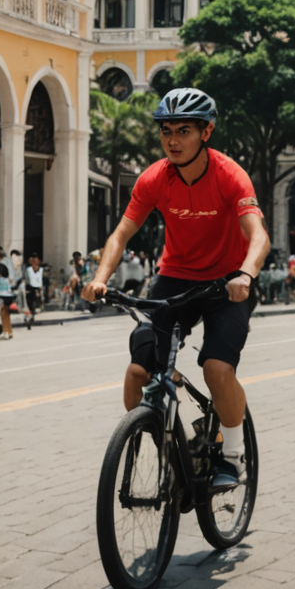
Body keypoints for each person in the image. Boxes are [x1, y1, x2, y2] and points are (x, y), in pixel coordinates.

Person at [81, 88, 269, 491]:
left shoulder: (229, 174)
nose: (172, 140)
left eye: (184, 130)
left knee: (216, 368)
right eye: (166, 130)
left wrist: (247, 275)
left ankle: (233, 457)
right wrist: (100, 278)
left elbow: (258, 236)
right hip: (175, 278)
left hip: (227, 282)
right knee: (138, 373)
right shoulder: (155, 178)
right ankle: (172, 448)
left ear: (207, 132)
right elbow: (121, 234)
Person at [23, 253, 45, 325]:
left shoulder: (42, 270)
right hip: (30, 287)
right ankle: (30, 313)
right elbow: (27, 280)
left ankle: (36, 308)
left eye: (36, 261)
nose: (35, 263)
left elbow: (43, 280)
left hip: (39, 288)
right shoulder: (28, 270)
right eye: (33, 261)